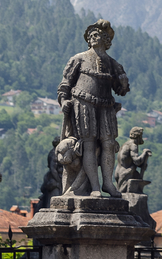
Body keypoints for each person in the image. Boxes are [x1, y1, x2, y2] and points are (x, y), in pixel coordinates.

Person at [57, 19, 130, 197]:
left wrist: (123, 81)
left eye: (98, 35)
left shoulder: (113, 64)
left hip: (106, 106)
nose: (93, 37)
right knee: (88, 144)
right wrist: (64, 100)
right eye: (91, 35)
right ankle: (95, 187)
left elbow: (120, 90)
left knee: (109, 143)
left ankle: (108, 183)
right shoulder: (78, 59)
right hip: (83, 104)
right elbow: (65, 85)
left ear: (106, 40)